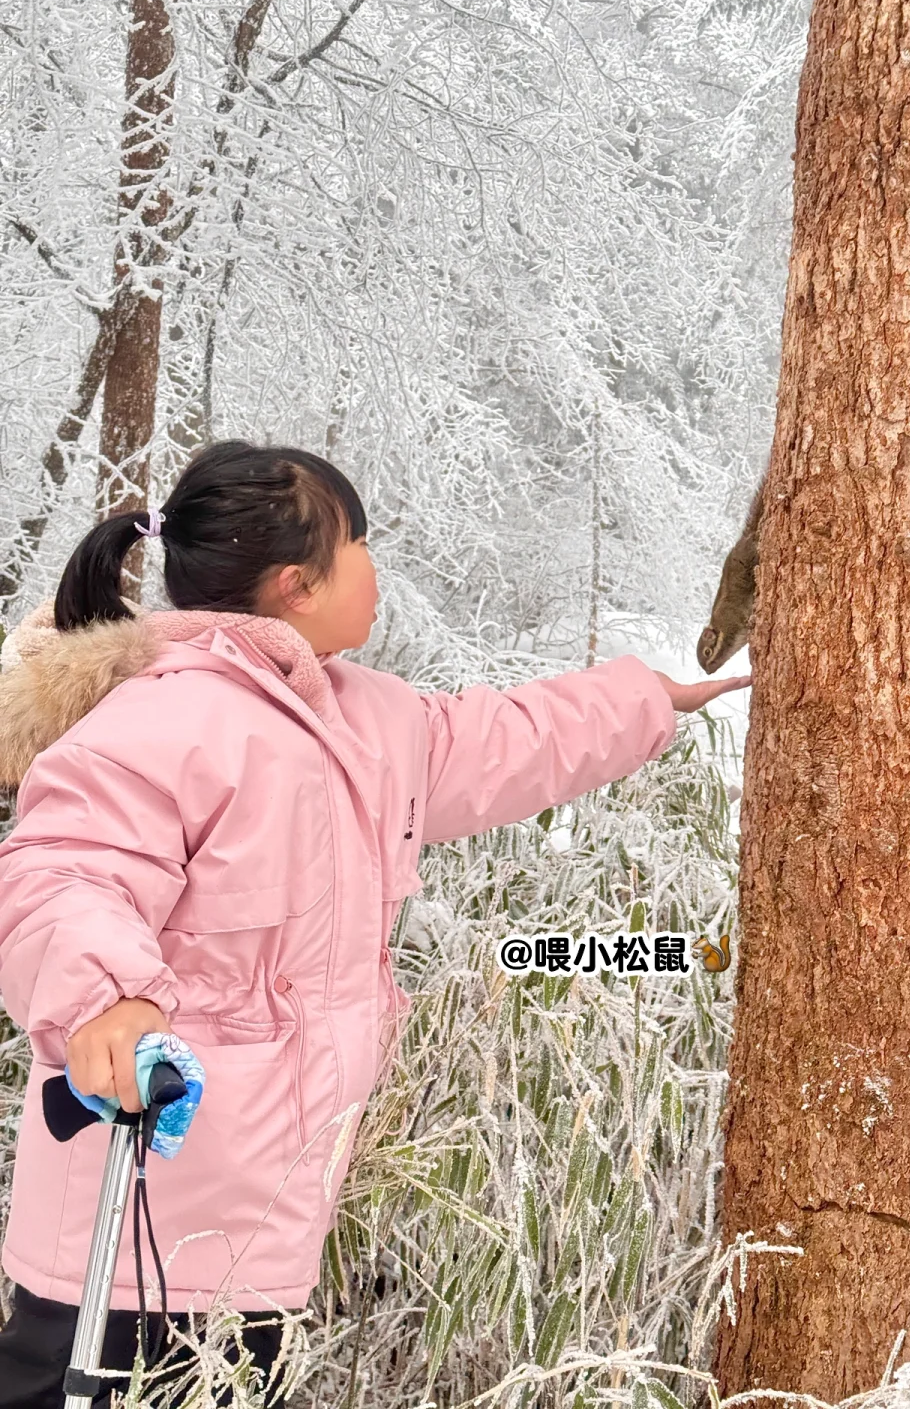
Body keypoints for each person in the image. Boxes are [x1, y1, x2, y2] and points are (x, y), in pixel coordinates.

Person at [0, 439, 751, 1405]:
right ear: (294, 585)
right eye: (358, 543)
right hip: (139, 1207)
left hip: (267, 1222)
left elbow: (503, 741)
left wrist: (645, 698)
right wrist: (105, 998)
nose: (373, 568)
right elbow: (66, 873)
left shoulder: (364, 721)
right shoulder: (163, 723)